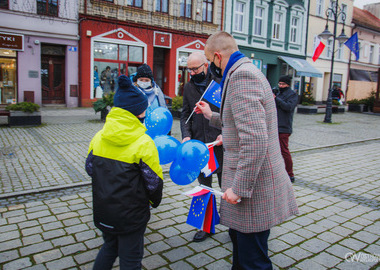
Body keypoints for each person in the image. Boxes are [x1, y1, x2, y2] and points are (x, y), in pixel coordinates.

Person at [195, 31, 298, 269]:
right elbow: (241, 122)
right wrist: (213, 117)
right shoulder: (246, 70)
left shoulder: (241, 77)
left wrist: (238, 189)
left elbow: (255, 140)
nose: (211, 68)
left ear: (218, 57)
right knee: (242, 252)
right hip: (254, 184)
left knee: (253, 260)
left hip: (252, 189)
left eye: (210, 62)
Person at [85, 75, 164, 269]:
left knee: (109, 247)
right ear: (137, 112)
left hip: (104, 209)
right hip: (132, 215)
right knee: (131, 259)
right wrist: (154, 202)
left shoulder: (99, 136)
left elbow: (90, 168)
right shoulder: (144, 142)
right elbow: (153, 183)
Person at [180, 51, 224, 242]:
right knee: (203, 187)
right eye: (189, 69)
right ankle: (205, 226)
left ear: (205, 65)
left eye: (195, 68)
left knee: (226, 186)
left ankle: (234, 226)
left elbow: (229, 111)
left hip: (221, 143)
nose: (192, 73)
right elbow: (184, 114)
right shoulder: (188, 87)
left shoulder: (219, 82)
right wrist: (186, 135)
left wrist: (226, 132)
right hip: (199, 145)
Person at [274, 75, 298, 183]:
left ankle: (290, 174)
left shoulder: (292, 95)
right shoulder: (279, 93)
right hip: (275, 126)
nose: (280, 86)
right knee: (275, 151)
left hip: (284, 127)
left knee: (284, 151)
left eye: (283, 84)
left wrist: (276, 99)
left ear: (288, 84)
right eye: (279, 84)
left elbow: (288, 107)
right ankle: (278, 172)